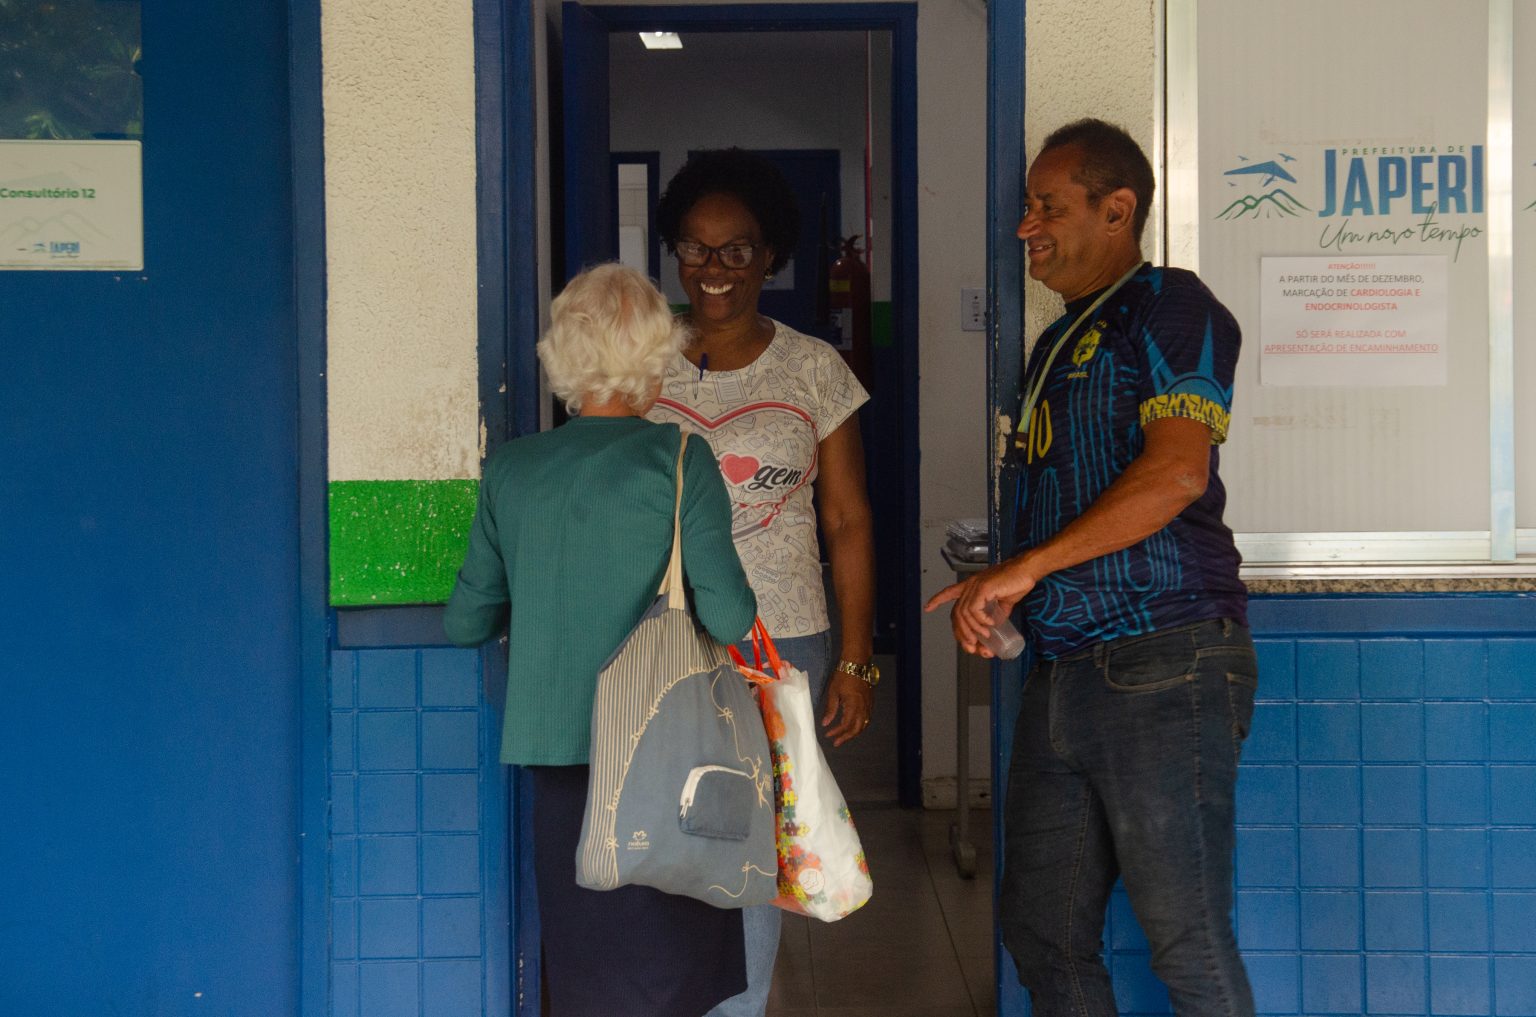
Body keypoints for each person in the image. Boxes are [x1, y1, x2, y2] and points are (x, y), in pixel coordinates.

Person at [926, 119, 1258, 1017]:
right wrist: (1005, 590)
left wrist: (1024, 568)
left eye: (1048, 207)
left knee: (1187, 939)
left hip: (1165, 656)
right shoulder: (1054, 344)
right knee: (1040, 927)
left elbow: (1178, 473)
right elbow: (1070, 503)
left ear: (1118, 210)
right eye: (1026, 208)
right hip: (1064, 669)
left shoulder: (1170, 305)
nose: (1025, 227)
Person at [444, 263, 759, 1017]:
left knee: (588, 965)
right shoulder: (680, 460)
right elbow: (730, 618)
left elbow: (465, 622)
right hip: (668, 752)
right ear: (655, 353)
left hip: (561, 757)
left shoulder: (512, 469)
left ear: (563, 354)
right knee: (670, 967)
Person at [647, 147, 878, 1017]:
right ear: (675, 252)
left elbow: (847, 520)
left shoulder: (815, 369)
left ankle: (739, 1008)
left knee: (756, 847)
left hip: (781, 643)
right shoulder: (640, 366)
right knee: (665, 830)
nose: (715, 267)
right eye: (696, 247)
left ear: (770, 256)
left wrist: (856, 659)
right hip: (662, 637)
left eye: (737, 248)